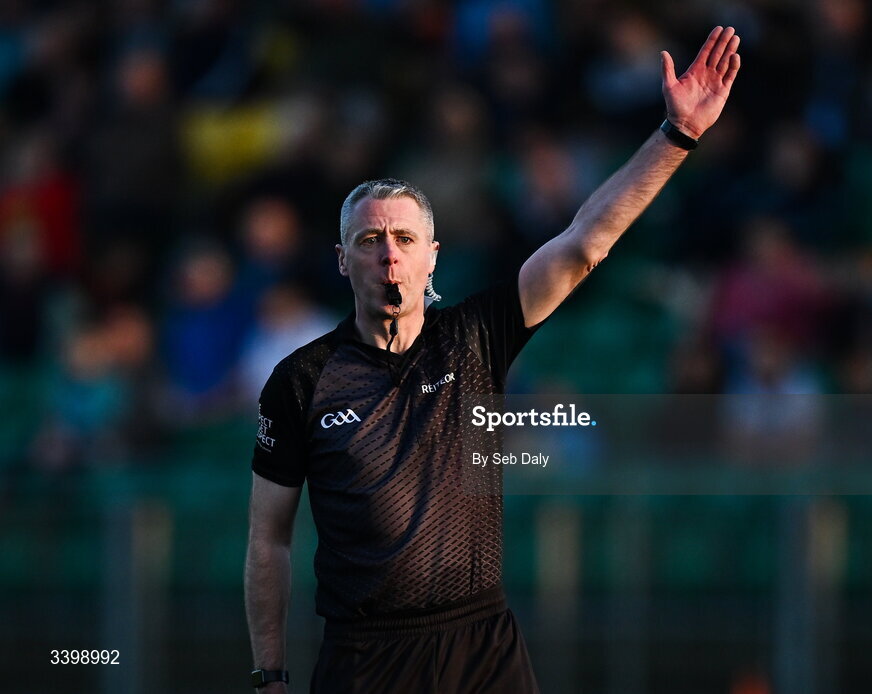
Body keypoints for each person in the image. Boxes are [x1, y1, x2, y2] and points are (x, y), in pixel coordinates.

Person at [244, 26, 741, 693]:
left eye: (403, 238)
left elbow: (582, 244)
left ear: (431, 257)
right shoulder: (302, 380)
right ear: (342, 260)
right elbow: (269, 539)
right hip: (367, 655)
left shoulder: (475, 335)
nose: (388, 253)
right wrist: (268, 674)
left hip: (482, 646)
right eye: (368, 240)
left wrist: (676, 136)